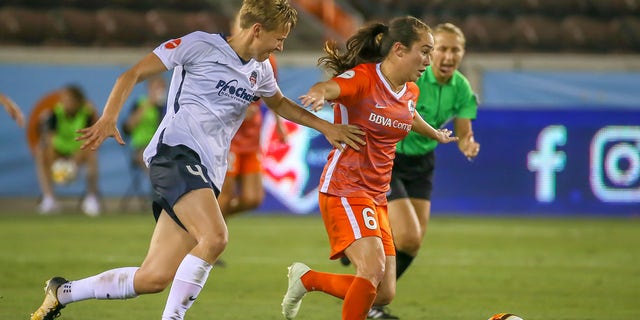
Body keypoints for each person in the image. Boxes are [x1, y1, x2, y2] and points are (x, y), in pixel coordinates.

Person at [29, 1, 364, 319]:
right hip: (174, 153)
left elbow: (279, 104)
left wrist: (326, 127)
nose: (280, 47)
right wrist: (109, 117)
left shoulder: (260, 70)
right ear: (258, 29)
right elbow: (130, 75)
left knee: (153, 278)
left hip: (207, 171)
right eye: (279, 39)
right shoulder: (198, 45)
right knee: (216, 237)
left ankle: (63, 292)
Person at [281, 16, 458, 320]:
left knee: (384, 291)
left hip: (377, 196)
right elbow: (331, 86)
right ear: (399, 50)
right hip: (345, 188)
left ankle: (307, 280)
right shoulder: (363, 79)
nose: (429, 60)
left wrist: (434, 133)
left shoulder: (410, 91)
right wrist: (319, 94)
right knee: (371, 269)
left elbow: (409, 115)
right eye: (425, 51)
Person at [366, 22, 481, 319]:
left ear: (462, 53)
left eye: (455, 50)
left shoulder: (462, 88)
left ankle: (371, 293)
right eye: (441, 48)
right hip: (390, 157)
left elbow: (464, 129)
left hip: (422, 164)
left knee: (413, 243)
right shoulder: (415, 75)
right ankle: (370, 302)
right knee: (408, 235)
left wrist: (467, 143)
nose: (448, 56)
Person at [217, 54, 286, 219]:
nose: (279, 46)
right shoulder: (228, 56)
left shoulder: (270, 61)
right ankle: (209, 232)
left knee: (253, 198)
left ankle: (209, 222)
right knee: (225, 195)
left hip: (252, 134)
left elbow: (272, 93)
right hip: (230, 135)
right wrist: (238, 110)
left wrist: (278, 122)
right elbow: (215, 94)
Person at [33, 85, 101, 216]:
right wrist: (58, 165)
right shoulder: (54, 114)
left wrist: (74, 162)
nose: (64, 102)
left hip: (79, 152)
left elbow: (91, 138)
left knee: (92, 153)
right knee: (41, 153)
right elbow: (49, 139)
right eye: (63, 99)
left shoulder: (86, 114)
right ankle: (49, 199)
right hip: (59, 152)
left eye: (68, 99)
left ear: (77, 101)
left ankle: (91, 198)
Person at [122, 75, 168, 171]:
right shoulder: (140, 104)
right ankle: (157, 184)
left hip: (162, 147)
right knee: (150, 160)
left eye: (162, 87)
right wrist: (149, 104)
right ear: (149, 88)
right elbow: (128, 127)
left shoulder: (167, 107)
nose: (160, 90)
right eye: (157, 87)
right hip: (141, 146)